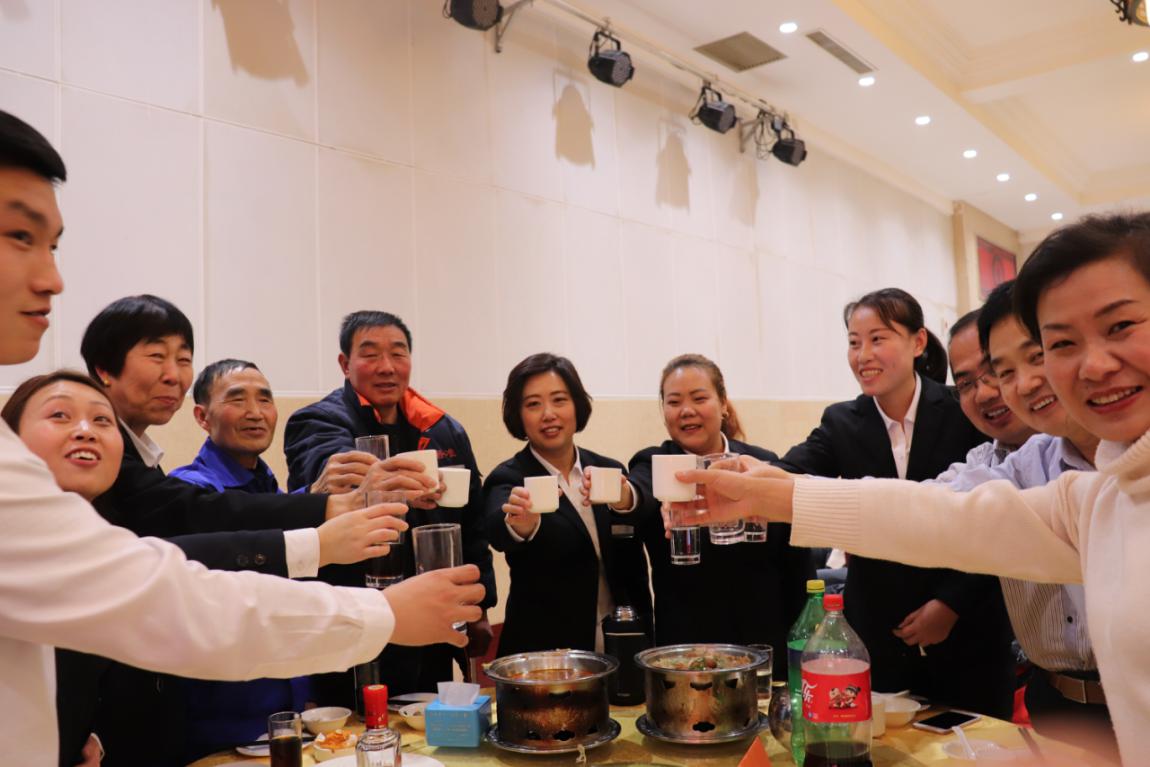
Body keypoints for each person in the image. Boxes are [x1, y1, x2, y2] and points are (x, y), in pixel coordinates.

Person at [0, 109, 483, 767]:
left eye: (53, 245)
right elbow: (171, 576)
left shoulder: (439, 425)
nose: (52, 278)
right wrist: (342, 544)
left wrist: (63, 728)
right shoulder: (306, 431)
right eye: (19, 236)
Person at [676, 211, 1150, 765]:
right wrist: (773, 492)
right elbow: (941, 512)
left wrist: (948, 602)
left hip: (972, 646)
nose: (1093, 365)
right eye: (1062, 343)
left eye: (1120, 326)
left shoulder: (1028, 455)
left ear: (917, 342)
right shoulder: (1088, 496)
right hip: (922, 647)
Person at [775, 288, 1015, 718]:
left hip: (969, 632)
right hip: (879, 633)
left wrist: (951, 603)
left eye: (878, 339)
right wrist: (736, 476)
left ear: (917, 342)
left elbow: (999, 514)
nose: (863, 355)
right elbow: (791, 471)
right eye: (854, 342)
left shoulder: (964, 407)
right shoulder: (842, 421)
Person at [930, 282, 1112, 757]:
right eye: (967, 382)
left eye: (1036, 358)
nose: (994, 391)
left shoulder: (1119, 454)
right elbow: (926, 507)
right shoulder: (1004, 465)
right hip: (1053, 699)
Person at [284, 310, 497, 696]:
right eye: (370, 354)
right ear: (345, 364)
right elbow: (328, 467)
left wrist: (480, 605)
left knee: (427, 716)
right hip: (356, 613)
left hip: (432, 614)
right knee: (354, 719)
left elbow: (472, 524)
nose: (387, 367)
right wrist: (365, 480)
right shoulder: (318, 421)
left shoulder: (442, 429)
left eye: (398, 353)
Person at [627, 354, 811, 672]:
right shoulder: (655, 464)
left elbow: (795, 557)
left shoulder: (759, 462)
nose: (686, 410)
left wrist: (805, 642)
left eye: (699, 398)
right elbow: (636, 494)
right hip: (686, 652)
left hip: (764, 646)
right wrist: (621, 494)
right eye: (674, 402)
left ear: (723, 403)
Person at [167, 359, 312, 761]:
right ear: (202, 416)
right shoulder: (189, 491)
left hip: (285, 710)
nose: (255, 412)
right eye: (237, 399)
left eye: (264, 399)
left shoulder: (272, 491)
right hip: (219, 717)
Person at [483, 353, 651, 656]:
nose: (548, 414)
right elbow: (497, 528)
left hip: (622, 645)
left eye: (559, 400)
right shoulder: (509, 477)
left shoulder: (609, 470)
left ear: (577, 405)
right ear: (519, 415)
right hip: (546, 656)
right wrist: (521, 524)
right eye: (533, 404)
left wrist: (626, 497)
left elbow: (642, 516)